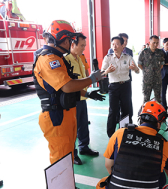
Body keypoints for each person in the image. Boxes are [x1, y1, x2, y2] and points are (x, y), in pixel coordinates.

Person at [33, 20, 103, 164]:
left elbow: (63, 91)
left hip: (65, 112)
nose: (70, 43)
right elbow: (67, 86)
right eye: (69, 39)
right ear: (62, 39)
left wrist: (87, 94)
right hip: (56, 116)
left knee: (68, 154)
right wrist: (92, 79)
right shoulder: (48, 59)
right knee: (60, 157)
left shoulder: (58, 58)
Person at [97, 100, 168, 189]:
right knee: (163, 178)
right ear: (158, 124)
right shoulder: (165, 145)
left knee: (102, 182)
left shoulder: (120, 133)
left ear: (140, 119)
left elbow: (108, 165)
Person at [65, 33, 104, 165]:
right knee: (72, 129)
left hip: (82, 98)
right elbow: (71, 84)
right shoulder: (66, 60)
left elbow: (83, 78)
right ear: (72, 44)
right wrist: (87, 94)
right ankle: (73, 154)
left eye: (85, 46)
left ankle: (84, 148)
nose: (84, 48)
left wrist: (88, 93)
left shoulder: (80, 58)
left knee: (83, 125)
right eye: (82, 45)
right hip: (72, 100)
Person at [101, 36, 139, 138]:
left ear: (123, 46)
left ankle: (124, 132)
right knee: (113, 110)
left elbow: (138, 71)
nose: (114, 46)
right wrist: (107, 71)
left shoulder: (128, 57)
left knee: (126, 110)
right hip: (113, 86)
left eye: (117, 44)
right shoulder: (108, 58)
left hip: (125, 86)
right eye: (113, 44)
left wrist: (135, 68)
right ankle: (111, 135)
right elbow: (101, 73)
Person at [138, 35, 165, 103]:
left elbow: (162, 65)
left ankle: (158, 113)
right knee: (146, 99)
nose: (155, 44)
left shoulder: (160, 53)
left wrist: (156, 71)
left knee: (158, 99)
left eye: (157, 43)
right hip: (147, 80)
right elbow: (139, 64)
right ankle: (145, 113)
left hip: (157, 80)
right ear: (149, 42)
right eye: (154, 42)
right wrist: (147, 71)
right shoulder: (144, 52)